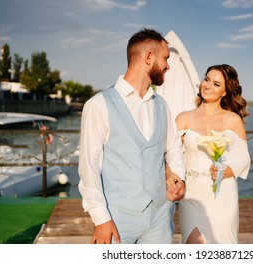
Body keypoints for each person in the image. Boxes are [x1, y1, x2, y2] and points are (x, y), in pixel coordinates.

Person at [78, 28, 186, 244]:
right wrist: (101, 219)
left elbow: (173, 148)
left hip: (160, 219)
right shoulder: (98, 105)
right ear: (148, 57)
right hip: (117, 221)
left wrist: (180, 178)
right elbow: (89, 166)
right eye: (165, 58)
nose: (168, 66)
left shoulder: (162, 106)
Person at [174, 64, 251, 244]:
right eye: (207, 79)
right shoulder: (183, 118)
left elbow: (243, 157)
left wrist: (227, 170)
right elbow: (171, 154)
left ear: (225, 92)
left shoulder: (233, 120)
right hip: (192, 194)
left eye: (216, 84)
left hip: (223, 194)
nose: (208, 86)